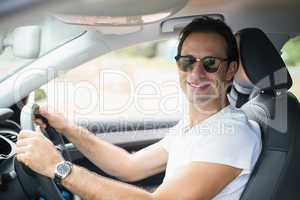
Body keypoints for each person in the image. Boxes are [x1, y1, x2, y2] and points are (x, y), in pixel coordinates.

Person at [16, 17, 262, 200]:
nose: (195, 73)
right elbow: (128, 166)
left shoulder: (231, 135)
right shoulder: (197, 125)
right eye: (187, 61)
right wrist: (68, 128)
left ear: (230, 70)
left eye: (210, 63)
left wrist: (57, 168)